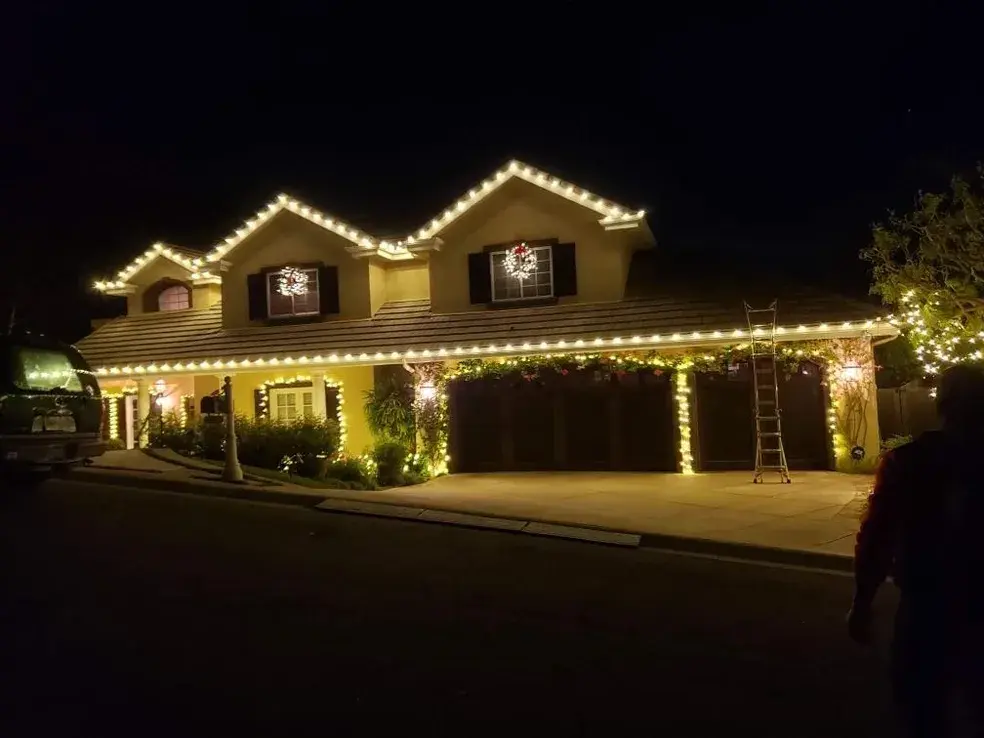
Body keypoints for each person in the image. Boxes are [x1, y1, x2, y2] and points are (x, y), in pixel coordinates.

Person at [848, 363, 984, 737]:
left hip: (928, 604)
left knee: (921, 706)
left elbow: (877, 535)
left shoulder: (907, 462)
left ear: (942, 404)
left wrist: (862, 602)